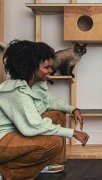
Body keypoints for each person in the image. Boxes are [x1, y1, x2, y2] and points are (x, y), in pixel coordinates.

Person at [0, 39, 89, 179]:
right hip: (3, 140)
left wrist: (73, 109)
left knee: (58, 115)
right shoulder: (15, 92)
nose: (51, 70)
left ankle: (46, 164)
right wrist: (72, 132)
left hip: (15, 132)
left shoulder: (35, 84)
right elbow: (33, 126)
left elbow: (49, 101)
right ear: (31, 68)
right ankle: (8, 172)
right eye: (46, 67)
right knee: (53, 143)